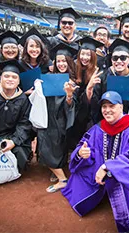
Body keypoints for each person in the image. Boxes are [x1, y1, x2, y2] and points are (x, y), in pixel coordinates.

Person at [61, 91, 129, 233]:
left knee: (118, 178)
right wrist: (81, 152)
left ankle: (128, 225)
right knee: (80, 170)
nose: (107, 110)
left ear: (121, 107)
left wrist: (108, 167)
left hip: (128, 170)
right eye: (104, 106)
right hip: (100, 167)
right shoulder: (99, 127)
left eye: (112, 106)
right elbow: (83, 145)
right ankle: (94, 196)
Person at [37, 42, 79, 192]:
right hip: (47, 117)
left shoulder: (73, 82)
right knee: (45, 145)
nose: (61, 64)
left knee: (58, 146)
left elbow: (71, 105)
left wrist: (69, 94)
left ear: (69, 62)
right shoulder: (48, 77)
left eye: (64, 61)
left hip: (62, 120)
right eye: (58, 61)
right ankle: (57, 171)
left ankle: (59, 174)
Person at [86, 38, 129, 124]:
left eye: (123, 58)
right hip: (107, 122)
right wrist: (89, 88)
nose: (119, 61)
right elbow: (95, 103)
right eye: (115, 58)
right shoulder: (104, 77)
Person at [66, 36, 104, 150]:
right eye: (82, 54)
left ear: (93, 56)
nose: (84, 57)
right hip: (75, 111)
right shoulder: (73, 68)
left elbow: (95, 98)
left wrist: (89, 88)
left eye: (88, 54)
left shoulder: (98, 72)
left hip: (89, 113)